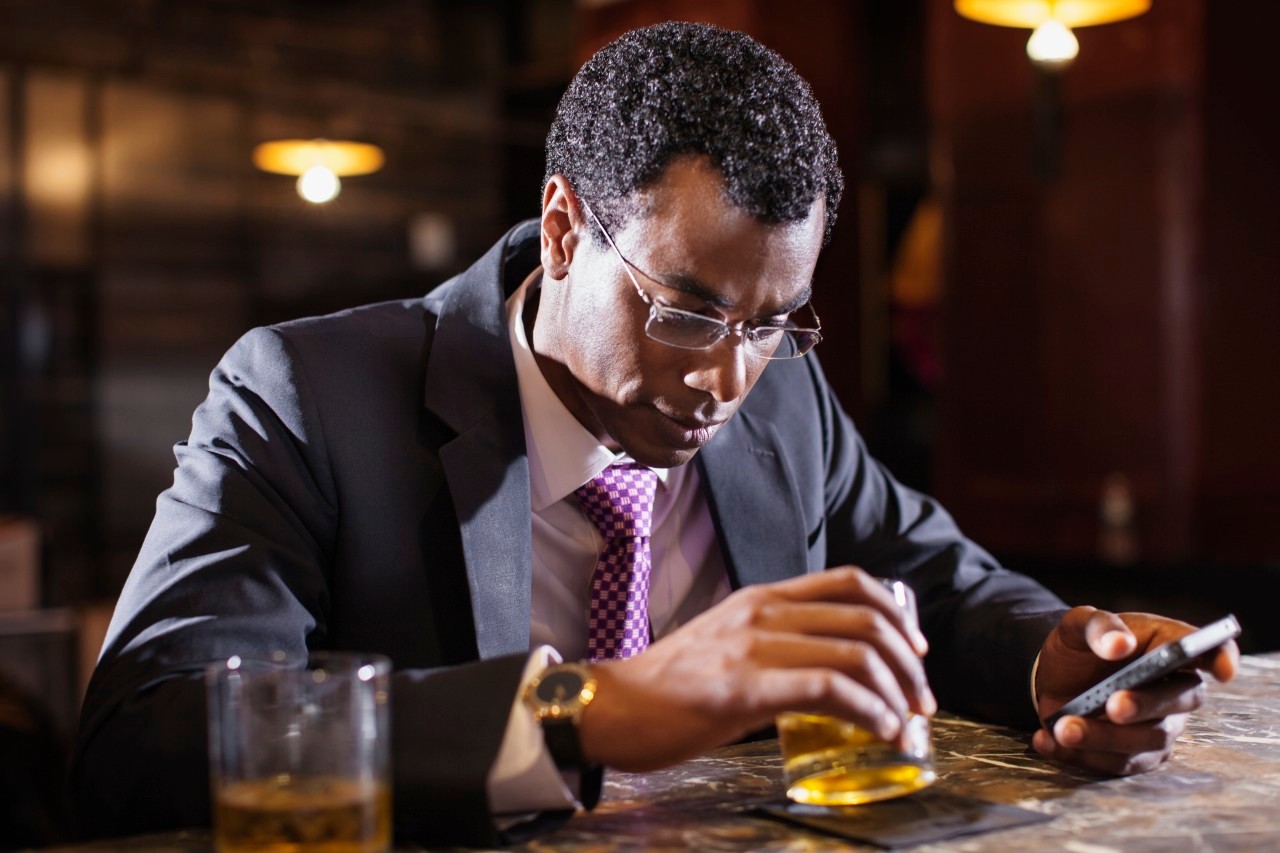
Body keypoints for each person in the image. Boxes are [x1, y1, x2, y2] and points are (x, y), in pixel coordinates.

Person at [71, 21, 1238, 847]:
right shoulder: (308, 395)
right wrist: (590, 708)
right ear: (564, 229)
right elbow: (145, 736)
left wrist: (1064, 660)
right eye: (684, 311)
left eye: (774, 320)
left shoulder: (782, 390)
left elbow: (932, 577)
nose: (725, 376)